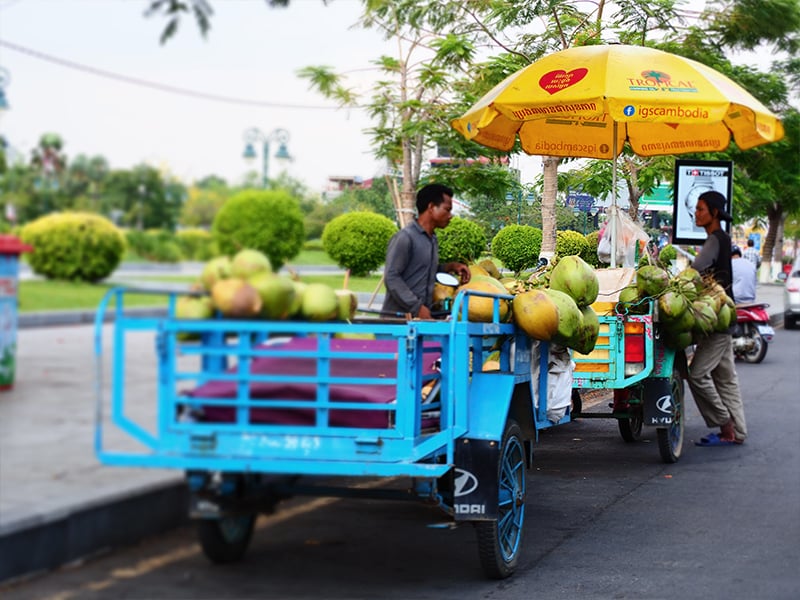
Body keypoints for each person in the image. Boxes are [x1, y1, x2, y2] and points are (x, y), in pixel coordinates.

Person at [688, 190, 747, 446]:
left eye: (701, 209)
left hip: (718, 318)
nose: (696, 213)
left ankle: (725, 424)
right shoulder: (720, 239)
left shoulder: (714, 239)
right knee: (725, 378)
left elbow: (696, 269)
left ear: (714, 212)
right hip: (724, 315)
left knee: (698, 374)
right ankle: (738, 432)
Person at [382, 183, 471, 319]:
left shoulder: (432, 239)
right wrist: (417, 307)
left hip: (420, 322)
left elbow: (424, 271)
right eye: (447, 209)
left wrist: (451, 267)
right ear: (431, 207)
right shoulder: (405, 238)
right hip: (397, 323)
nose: (450, 216)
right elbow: (392, 277)